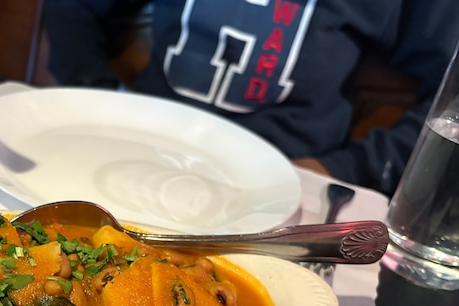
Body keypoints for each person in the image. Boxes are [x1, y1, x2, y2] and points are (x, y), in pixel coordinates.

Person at [41, 0, 459, 195]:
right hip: (137, 159)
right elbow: (71, 9)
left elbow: (452, 96)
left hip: (280, 184)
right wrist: (100, 102)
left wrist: (346, 167)